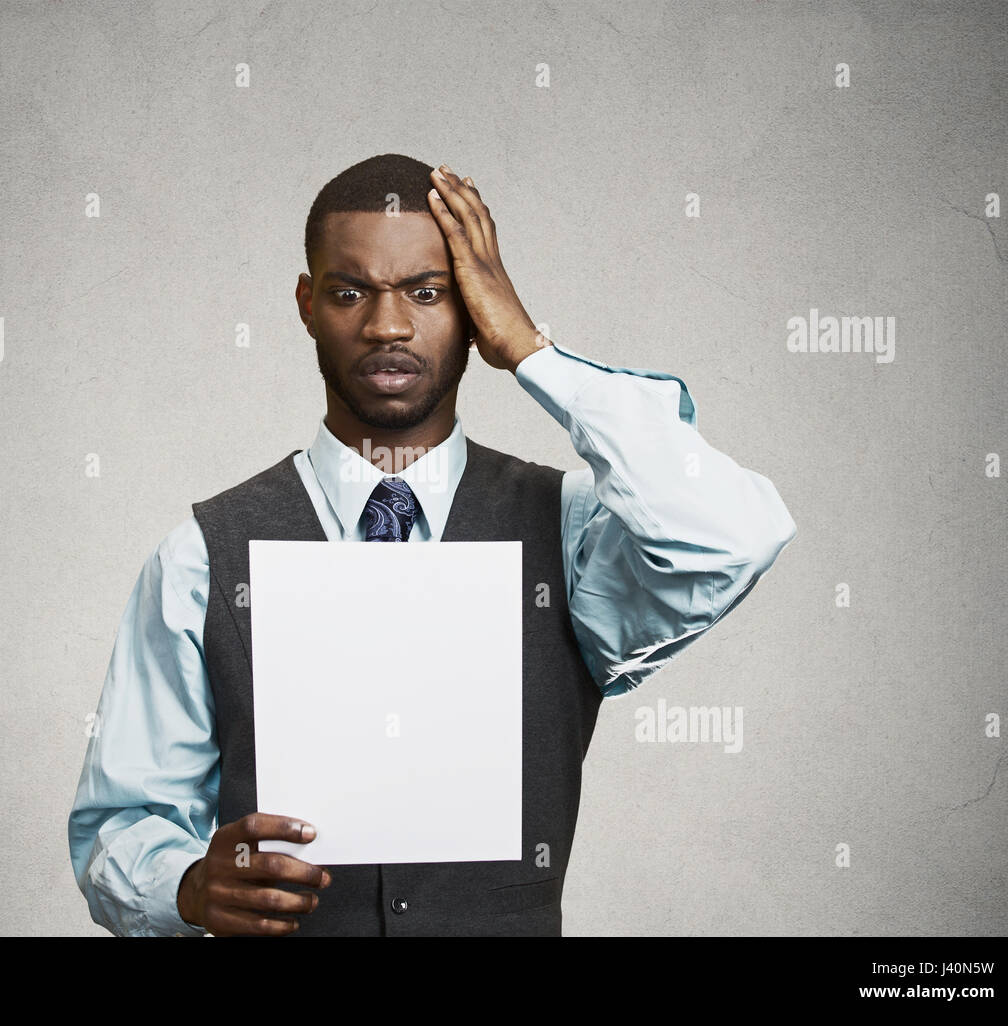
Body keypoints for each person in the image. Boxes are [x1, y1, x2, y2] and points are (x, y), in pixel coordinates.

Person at [67, 153, 797, 937]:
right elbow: (120, 824)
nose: (387, 326)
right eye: (351, 293)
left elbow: (735, 535)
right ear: (308, 305)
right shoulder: (199, 560)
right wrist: (184, 885)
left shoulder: (571, 536)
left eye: (428, 292)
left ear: (475, 310)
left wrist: (532, 351)